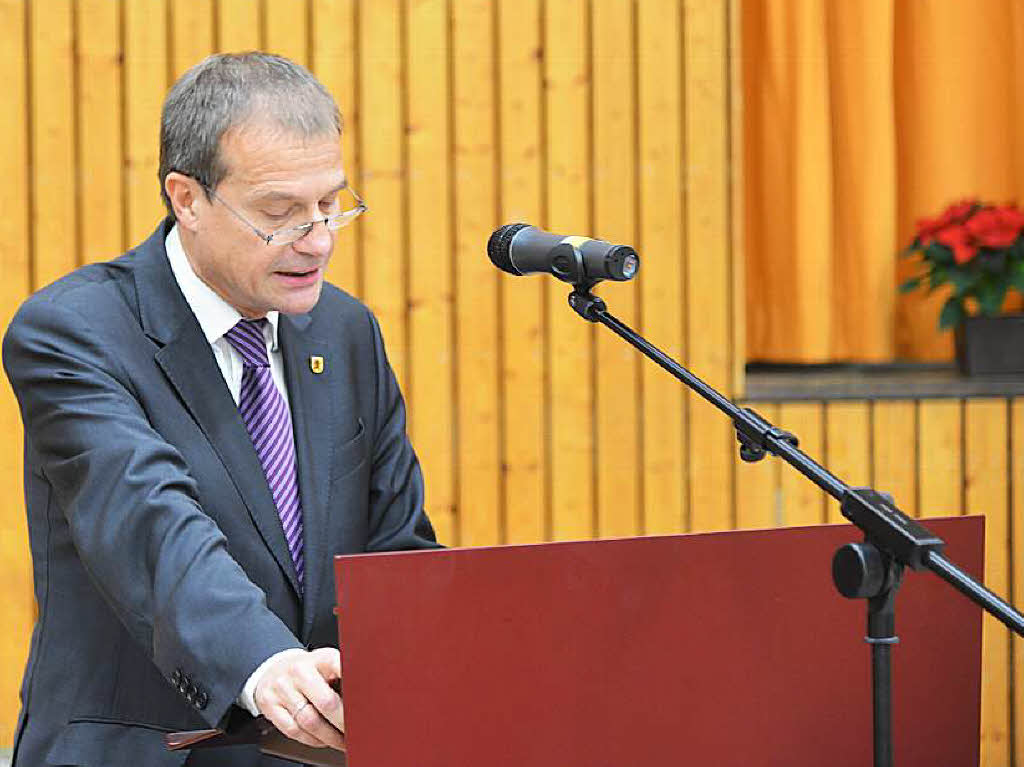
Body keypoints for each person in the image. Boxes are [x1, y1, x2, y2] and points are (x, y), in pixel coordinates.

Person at [2, 52, 440, 766]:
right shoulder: (75, 332)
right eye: (280, 212)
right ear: (187, 198)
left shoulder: (345, 330)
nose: (319, 239)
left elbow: (396, 553)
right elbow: (150, 523)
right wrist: (266, 662)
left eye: (330, 203)